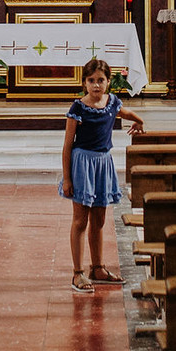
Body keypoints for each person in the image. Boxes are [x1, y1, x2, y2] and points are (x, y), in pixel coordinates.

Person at [59, 57, 145, 293]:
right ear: (84, 82)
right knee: (80, 220)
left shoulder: (112, 102)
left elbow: (125, 112)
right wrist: (67, 178)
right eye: (91, 81)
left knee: (99, 220)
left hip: (103, 163)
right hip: (82, 164)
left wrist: (139, 120)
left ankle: (97, 268)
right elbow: (67, 145)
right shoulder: (78, 107)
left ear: (109, 82)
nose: (96, 85)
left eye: (101, 80)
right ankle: (77, 273)